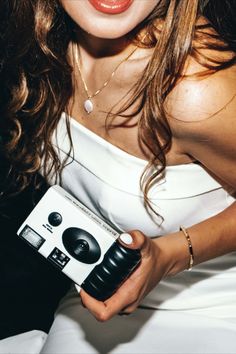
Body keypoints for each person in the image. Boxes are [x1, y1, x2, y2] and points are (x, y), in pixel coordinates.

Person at [0, 0, 236, 353]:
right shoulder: (43, 47)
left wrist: (170, 255)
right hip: (97, 296)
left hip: (215, 311)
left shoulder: (197, 90)